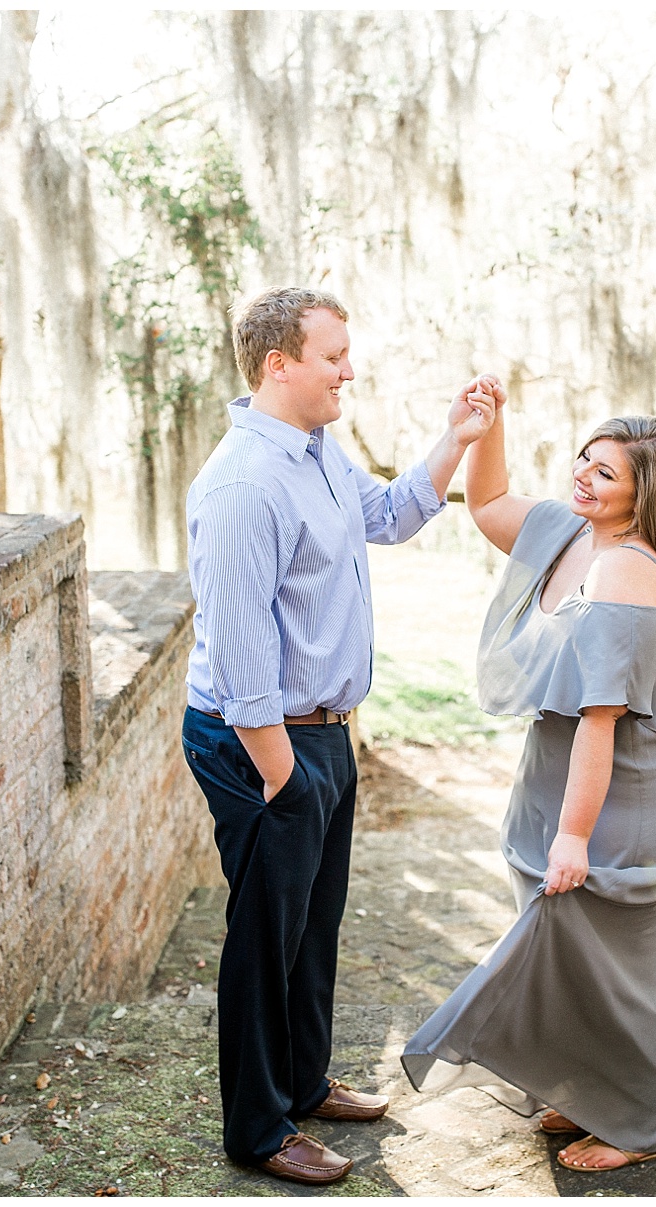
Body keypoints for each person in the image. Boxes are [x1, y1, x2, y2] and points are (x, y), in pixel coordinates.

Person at [181, 286, 499, 1186]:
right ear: (278, 364)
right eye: (333, 357)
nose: (348, 371)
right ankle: (258, 1128)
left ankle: (304, 1080)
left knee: (314, 924)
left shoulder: (317, 449)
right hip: (261, 743)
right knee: (263, 937)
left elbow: (390, 515)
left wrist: (457, 439)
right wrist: (285, 781)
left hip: (322, 733)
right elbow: (244, 667)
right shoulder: (244, 484)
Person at [401, 402, 656, 1172]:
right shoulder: (572, 533)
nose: (583, 474)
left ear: (646, 496)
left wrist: (573, 836)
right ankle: (585, 1090)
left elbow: (600, 721)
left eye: (606, 472)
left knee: (614, 966)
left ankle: (641, 1125)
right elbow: (484, 503)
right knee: (564, 949)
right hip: (564, 773)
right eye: (584, 456)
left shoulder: (625, 570)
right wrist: (489, 424)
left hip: (629, 792)